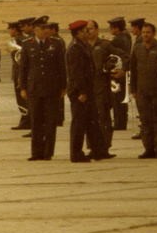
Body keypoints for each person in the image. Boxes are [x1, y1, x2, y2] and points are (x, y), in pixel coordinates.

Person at [19, 16, 67, 160]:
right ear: (35, 30)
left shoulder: (56, 44)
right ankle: (36, 152)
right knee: (36, 121)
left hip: (52, 88)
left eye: (47, 28)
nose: (46, 31)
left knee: (50, 121)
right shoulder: (27, 44)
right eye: (42, 28)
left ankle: (48, 152)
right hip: (34, 88)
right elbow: (24, 68)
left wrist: (63, 86)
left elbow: (61, 67)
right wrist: (23, 87)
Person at [130, 22, 157, 159]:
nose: (145, 35)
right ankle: (148, 148)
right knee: (145, 121)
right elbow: (133, 70)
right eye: (143, 32)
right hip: (142, 91)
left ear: (154, 34)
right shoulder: (137, 49)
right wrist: (133, 89)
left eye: (148, 32)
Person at [86, 20, 126, 158]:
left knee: (103, 118)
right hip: (87, 88)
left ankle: (104, 147)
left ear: (97, 30)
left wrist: (122, 70)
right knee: (90, 119)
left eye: (90, 29)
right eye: (86, 29)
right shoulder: (81, 46)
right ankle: (92, 147)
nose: (88, 31)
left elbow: (124, 56)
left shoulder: (105, 45)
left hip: (102, 87)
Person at [65, 20, 101, 162]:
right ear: (78, 33)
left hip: (87, 89)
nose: (88, 33)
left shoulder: (82, 46)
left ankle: (96, 150)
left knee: (90, 122)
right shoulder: (75, 48)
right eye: (85, 31)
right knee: (79, 124)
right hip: (80, 92)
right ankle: (76, 153)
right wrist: (82, 92)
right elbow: (76, 73)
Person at [108, 17, 132, 131]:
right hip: (124, 70)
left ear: (116, 28)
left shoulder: (117, 40)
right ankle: (121, 121)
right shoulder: (127, 37)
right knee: (122, 97)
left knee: (117, 98)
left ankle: (119, 123)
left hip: (117, 71)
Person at [129, 18, 146, 141]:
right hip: (139, 79)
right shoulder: (138, 39)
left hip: (141, 80)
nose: (132, 30)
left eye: (133, 27)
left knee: (143, 108)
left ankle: (144, 130)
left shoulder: (140, 41)